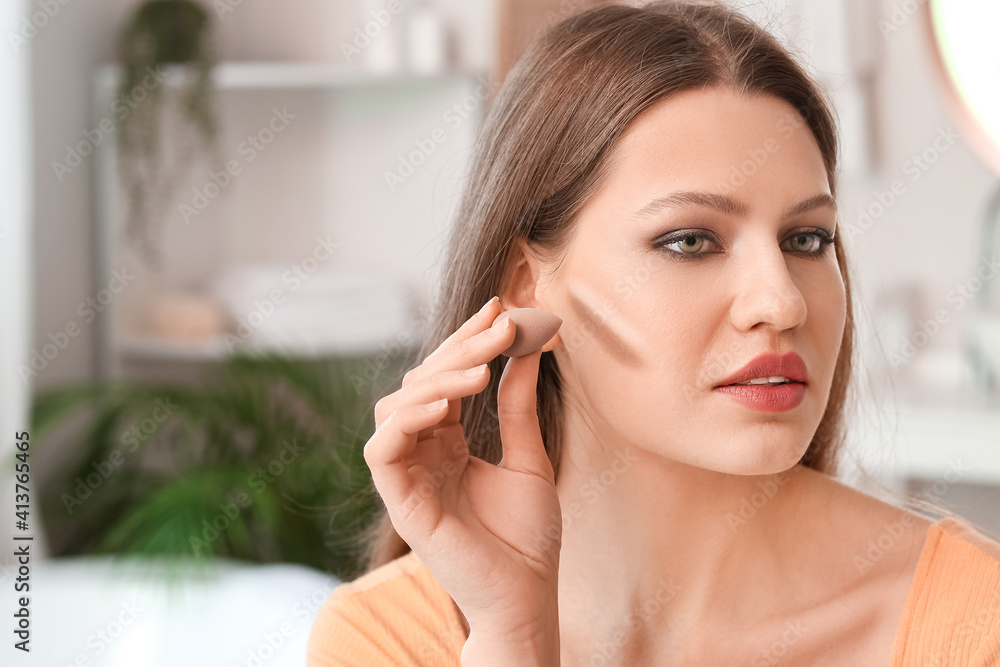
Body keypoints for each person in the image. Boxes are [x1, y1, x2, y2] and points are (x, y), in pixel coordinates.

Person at [308, 2, 1000, 664]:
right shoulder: (384, 643)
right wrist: (513, 638)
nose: (782, 301)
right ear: (526, 285)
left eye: (807, 238)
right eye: (691, 240)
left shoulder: (972, 622)